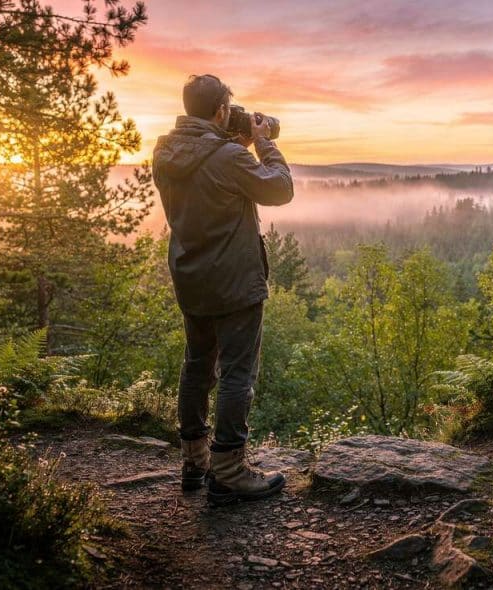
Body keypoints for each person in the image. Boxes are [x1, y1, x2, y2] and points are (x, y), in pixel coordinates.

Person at [151, 74, 293, 506]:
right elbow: (280, 189)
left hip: (191, 276)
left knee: (197, 366)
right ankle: (229, 470)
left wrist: (235, 141)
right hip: (235, 283)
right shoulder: (230, 156)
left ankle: (194, 461)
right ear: (220, 111)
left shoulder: (165, 152)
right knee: (237, 373)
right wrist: (264, 141)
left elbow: (206, 166)